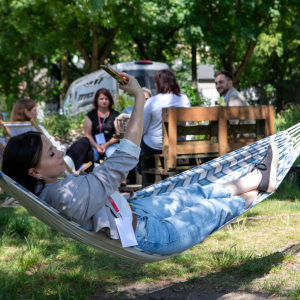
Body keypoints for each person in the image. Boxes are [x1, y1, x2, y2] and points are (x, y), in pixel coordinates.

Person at [2, 73, 279, 256]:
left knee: (196, 190)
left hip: (136, 208)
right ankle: (260, 187)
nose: (61, 152)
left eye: (55, 149)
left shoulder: (49, 188)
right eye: (52, 154)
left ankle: (257, 178)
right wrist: (137, 97)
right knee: (212, 209)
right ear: (34, 172)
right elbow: (126, 157)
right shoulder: (64, 196)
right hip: (152, 234)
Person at [10, 99, 94, 173]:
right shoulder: (36, 129)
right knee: (85, 140)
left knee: (89, 153)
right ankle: (88, 181)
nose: (37, 113)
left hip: (38, 168)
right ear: (26, 112)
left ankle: (86, 179)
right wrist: (65, 146)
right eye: (35, 110)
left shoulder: (12, 129)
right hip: (58, 166)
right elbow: (56, 149)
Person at [138, 69, 191, 174]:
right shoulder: (184, 99)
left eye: (156, 82)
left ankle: (142, 173)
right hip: (177, 144)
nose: (154, 84)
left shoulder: (152, 101)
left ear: (160, 83)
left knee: (139, 143)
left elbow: (142, 129)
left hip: (154, 146)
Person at [84, 88, 120, 162]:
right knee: (92, 156)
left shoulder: (116, 115)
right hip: (95, 145)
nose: (104, 101)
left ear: (110, 100)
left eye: (106, 99)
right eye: (101, 99)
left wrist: (107, 144)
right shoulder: (90, 116)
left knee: (111, 154)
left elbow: (118, 134)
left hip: (111, 144)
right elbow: (87, 134)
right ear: (96, 100)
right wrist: (95, 145)